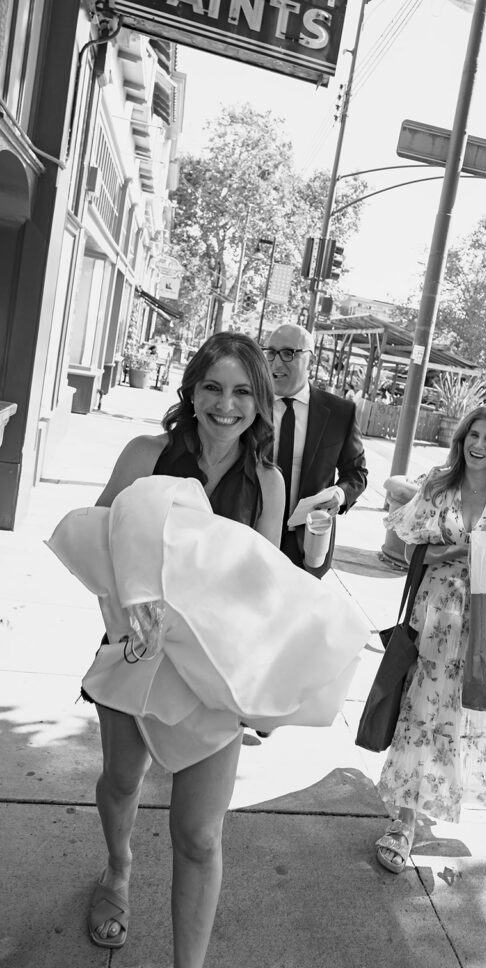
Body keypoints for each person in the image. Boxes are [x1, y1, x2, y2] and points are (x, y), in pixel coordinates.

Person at [85, 332, 285, 966]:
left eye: (242, 392)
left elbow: (263, 590)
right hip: (136, 654)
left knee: (199, 836)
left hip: (211, 674)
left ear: (260, 403)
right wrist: (123, 617)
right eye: (213, 388)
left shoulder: (268, 483)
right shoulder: (146, 454)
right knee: (122, 778)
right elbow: (97, 540)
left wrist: (257, 682)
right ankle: (118, 871)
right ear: (192, 391)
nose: (226, 405)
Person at [374, 405, 486, 874]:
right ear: (461, 439)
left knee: (463, 717)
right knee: (420, 711)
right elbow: (408, 540)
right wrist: (459, 549)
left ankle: (434, 796)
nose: (478, 445)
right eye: (472, 435)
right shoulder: (440, 484)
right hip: (435, 615)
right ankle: (404, 822)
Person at [264, 323, 368, 577]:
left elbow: (356, 473)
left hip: (307, 541)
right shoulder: (251, 403)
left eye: (288, 353)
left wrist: (340, 496)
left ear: (310, 359)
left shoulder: (340, 413)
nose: (276, 363)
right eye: (271, 352)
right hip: (253, 532)